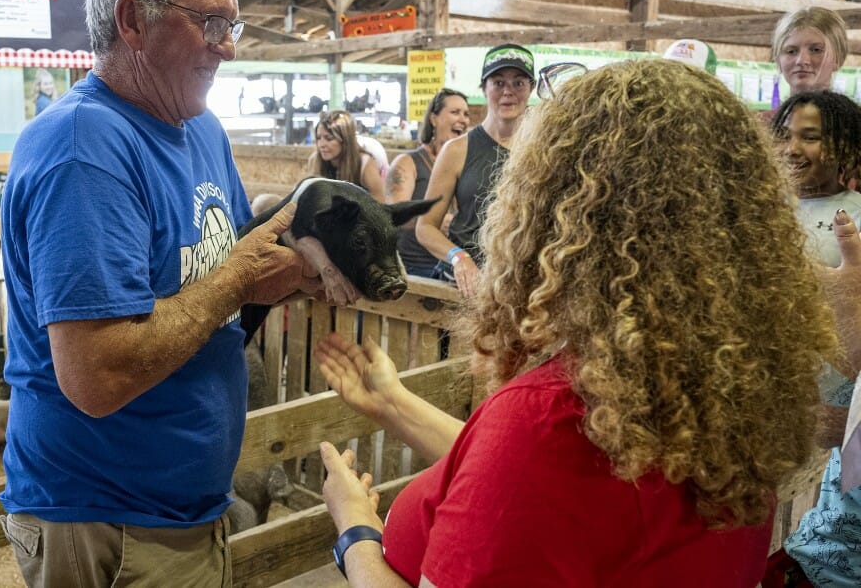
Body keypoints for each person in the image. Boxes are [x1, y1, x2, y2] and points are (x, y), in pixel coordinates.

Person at [315, 59, 838, 587]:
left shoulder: (550, 418)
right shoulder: (716, 390)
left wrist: (355, 533)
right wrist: (392, 402)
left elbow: (534, 464)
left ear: (555, 209)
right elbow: (540, 489)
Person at [0, 0, 321, 587]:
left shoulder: (198, 128)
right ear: (132, 20)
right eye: (210, 22)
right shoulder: (83, 146)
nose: (226, 47)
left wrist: (300, 267)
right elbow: (96, 377)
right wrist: (237, 280)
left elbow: (228, 263)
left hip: (180, 510)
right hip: (107, 519)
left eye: (232, 25)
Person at [769, 90, 861, 587]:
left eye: (811, 137)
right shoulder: (761, 210)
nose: (791, 148)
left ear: (845, 147)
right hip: (766, 399)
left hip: (835, 412)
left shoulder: (855, 218)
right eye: (785, 135)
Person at [415, 44, 535, 297]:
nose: (508, 92)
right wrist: (459, 257)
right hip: (465, 285)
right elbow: (425, 227)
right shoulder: (457, 150)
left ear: (531, 88)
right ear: (484, 88)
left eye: (518, 83)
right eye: (499, 82)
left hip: (519, 287)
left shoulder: (541, 149)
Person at [385, 88, 469, 277]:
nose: (463, 119)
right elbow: (393, 217)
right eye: (455, 112)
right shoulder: (407, 163)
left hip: (455, 267)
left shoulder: (465, 165)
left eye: (466, 114)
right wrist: (434, 221)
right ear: (434, 119)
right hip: (414, 269)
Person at [306, 109, 385, 201]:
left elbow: (380, 202)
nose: (321, 144)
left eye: (329, 138)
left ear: (345, 140)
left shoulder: (364, 164)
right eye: (318, 138)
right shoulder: (315, 160)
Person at [772, 7, 848, 97]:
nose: (801, 61)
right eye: (791, 51)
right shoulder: (779, 112)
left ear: (838, 58)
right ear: (778, 60)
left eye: (816, 50)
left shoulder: (852, 111)